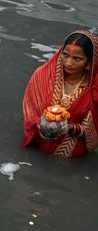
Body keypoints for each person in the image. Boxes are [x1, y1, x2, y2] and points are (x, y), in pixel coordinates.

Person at [22, 30, 98, 159]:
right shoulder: (41, 75)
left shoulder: (94, 89)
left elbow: (94, 130)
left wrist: (69, 128)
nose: (68, 62)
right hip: (36, 149)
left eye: (77, 59)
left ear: (89, 62)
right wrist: (41, 123)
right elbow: (30, 112)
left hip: (73, 159)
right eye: (65, 55)